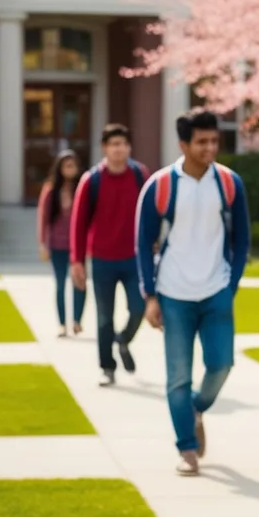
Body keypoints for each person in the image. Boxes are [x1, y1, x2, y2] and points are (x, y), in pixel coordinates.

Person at [136, 111, 251, 476]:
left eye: (214, 141)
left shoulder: (229, 183)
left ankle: (197, 409)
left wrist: (230, 285)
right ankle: (186, 449)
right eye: (202, 142)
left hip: (216, 290)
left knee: (221, 365)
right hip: (172, 293)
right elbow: (142, 243)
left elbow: (242, 239)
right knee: (178, 377)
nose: (210, 148)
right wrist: (150, 296)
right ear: (183, 144)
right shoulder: (160, 186)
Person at [70, 124, 149, 385]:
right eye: (113, 144)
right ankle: (107, 367)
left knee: (139, 308)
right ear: (105, 148)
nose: (119, 149)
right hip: (102, 259)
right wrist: (77, 261)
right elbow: (79, 224)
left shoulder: (140, 175)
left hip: (133, 258)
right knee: (104, 316)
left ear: (129, 147)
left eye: (123, 144)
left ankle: (123, 340)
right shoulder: (91, 180)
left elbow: (150, 215)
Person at [38, 149, 87, 338]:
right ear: (59, 168)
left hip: (77, 245)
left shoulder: (82, 187)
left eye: (72, 165)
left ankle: (77, 321)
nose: (70, 169)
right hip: (57, 244)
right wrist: (42, 243)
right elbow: (42, 218)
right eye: (66, 165)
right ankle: (61, 323)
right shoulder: (51, 190)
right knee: (60, 284)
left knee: (80, 282)